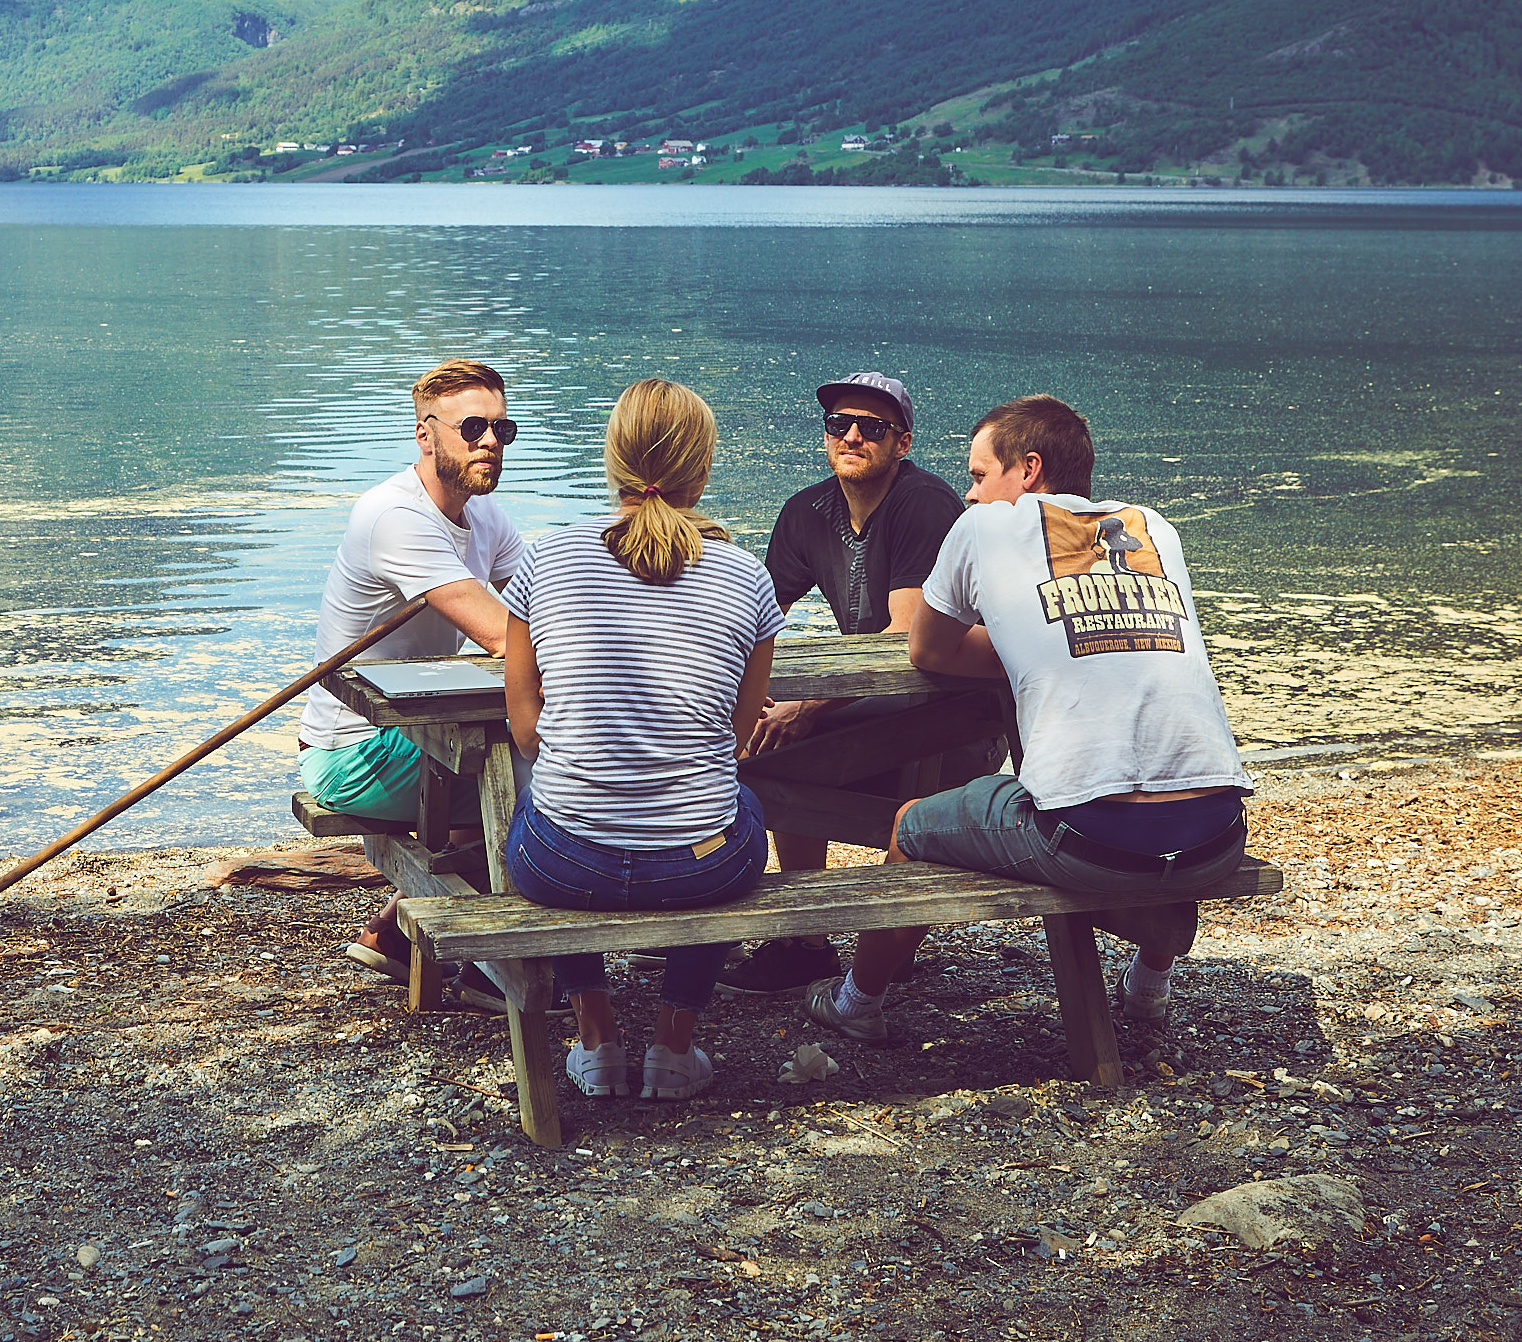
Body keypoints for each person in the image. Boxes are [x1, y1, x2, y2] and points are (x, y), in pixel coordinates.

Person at [804, 394, 1254, 1044]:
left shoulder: (984, 529)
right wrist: (1045, 651)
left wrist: (1022, 653)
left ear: (1029, 470)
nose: (969, 492)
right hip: (1216, 837)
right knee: (1160, 780)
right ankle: (1149, 988)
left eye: (981, 475)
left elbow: (927, 649)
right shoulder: (1154, 527)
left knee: (911, 823)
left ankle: (855, 1002)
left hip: (1097, 845)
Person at [502, 379, 783, 1102]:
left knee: (538, 805)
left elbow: (527, 728)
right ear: (704, 465)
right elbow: (738, 732)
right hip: (699, 870)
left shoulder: (545, 559)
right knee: (737, 807)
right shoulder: (748, 578)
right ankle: (672, 1047)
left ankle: (596, 1040)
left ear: (614, 458)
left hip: (562, 865)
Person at [718, 369, 968, 999]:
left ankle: (809, 939)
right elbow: (753, 616)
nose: (852, 435)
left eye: (872, 428)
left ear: (902, 443)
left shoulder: (924, 504)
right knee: (745, 735)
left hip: (944, 713)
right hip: (866, 701)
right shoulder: (808, 511)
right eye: (839, 424)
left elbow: (905, 638)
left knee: (777, 749)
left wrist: (804, 705)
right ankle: (729, 915)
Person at [301, 358, 530, 999]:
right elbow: (503, 632)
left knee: (506, 744)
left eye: (502, 430)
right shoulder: (393, 515)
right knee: (543, 771)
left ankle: (403, 937)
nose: (490, 441)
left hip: (416, 739)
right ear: (425, 436)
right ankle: (498, 968)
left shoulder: (487, 518)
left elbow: (540, 606)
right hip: (352, 754)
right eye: (473, 428)